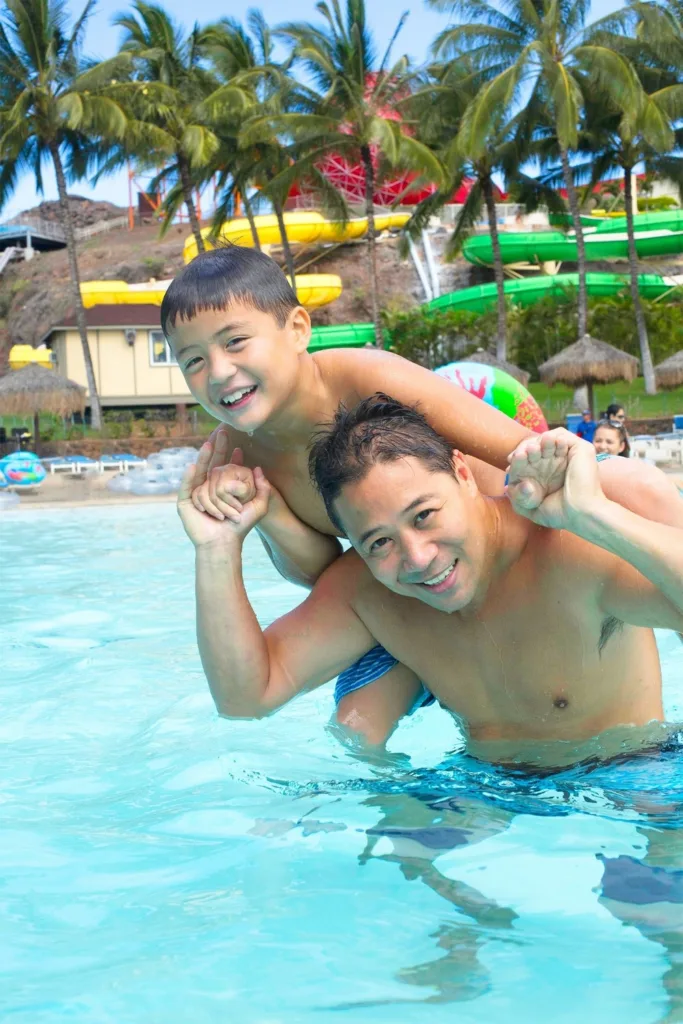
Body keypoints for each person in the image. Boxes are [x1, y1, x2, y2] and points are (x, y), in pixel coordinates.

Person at [163, 245, 683, 745]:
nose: (219, 372)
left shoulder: (366, 376)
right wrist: (256, 521)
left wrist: (578, 511)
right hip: (409, 595)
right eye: (193, 361)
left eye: (234, 343)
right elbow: (318, 573)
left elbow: (516, 450)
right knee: (355, 729)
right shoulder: (235, 453)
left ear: (299, 328)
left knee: (636, 486)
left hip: (490, 546)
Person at [178, 393, 683, 769]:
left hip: (633, 777)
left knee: (650, 910)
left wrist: (593, 515)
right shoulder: (368, 592)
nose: (417, 559)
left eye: (423, 515)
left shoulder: (568, 548)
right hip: (483, 785)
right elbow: (245, 699)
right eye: (379, 542)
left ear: (463, 473)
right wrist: (216, 550)